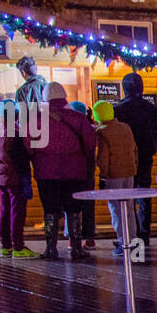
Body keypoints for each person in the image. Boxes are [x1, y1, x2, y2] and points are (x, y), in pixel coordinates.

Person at [33, 82, 98, 260]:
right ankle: (76, 247)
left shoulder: (36, 119)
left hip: (46, 172)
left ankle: (51, 248)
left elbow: (28, 145)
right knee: (74, 208)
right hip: (75, 172)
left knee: (50, 209)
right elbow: (90, 143)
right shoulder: (77, 117)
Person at [113, 72, 157, 254]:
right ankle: (144, 235)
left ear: (124, 87)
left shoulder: (118, 109)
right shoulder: (152, 109)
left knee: (127, 198)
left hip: (125, 158)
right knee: (144, 196)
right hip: (145, 157)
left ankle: (132, 235)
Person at [0, 98, 38, 259]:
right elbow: (21, 157)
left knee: (4, 210)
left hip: (1, 175)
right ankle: (18, 246)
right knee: (17, 211)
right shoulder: (15, 132)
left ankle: (6, 246)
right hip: (14, 176)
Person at [92, 99, 138, 256]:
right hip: (129, 172)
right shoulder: (125, 127)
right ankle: (132, 239)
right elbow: (134, 150)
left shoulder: (102, 132)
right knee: (129, 208)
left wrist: (103, 176)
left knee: (116, 209)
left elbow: (103, 158)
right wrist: (134, 167)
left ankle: (122, 241)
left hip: (113, 175)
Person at [70, 101, 97, 249]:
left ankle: (72, 238)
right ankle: (90, 238)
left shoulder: (70, 128)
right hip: (88, 172)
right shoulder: (91, 127)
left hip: (73, 172)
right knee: (88, 206)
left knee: (71, 205)